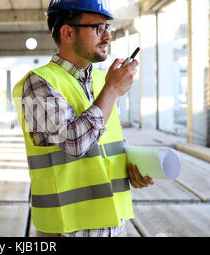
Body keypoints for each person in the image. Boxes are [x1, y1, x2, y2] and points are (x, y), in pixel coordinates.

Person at [12, 0, 155, 237]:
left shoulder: (101, 81)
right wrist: (112, 91)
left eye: (108, 27)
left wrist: (133, 168)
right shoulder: (39, 84)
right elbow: (74, 144)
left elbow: (103, 145)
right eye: (98, 27)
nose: (108, 36)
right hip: (68, 229)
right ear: (67, 32)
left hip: (113, 226)